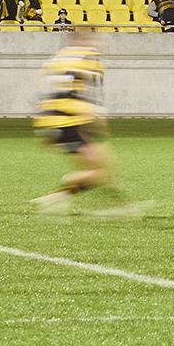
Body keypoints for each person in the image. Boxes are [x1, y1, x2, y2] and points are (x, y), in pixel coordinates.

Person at [33, 36, 138, 214]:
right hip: (71, 122)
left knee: (102, 166)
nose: (99, 46)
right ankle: (57, 196)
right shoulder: (88, 59)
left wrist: (45, 130)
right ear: (85, 41)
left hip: (50, 121)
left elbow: (44, 90)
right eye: (96, 42)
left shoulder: (58, 58)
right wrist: (98, 122)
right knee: (99, 171)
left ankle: (120, 205)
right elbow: (89, 94)